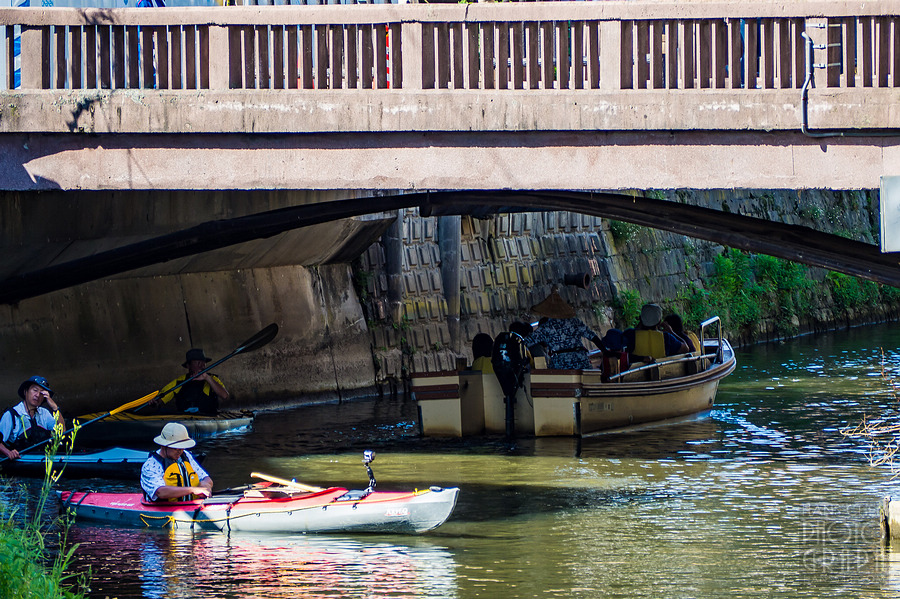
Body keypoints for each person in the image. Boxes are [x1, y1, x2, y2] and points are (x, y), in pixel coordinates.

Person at [524, 288, 604, 370]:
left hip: (560, 365)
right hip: (582, 362)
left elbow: (527, 342)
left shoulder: (547, 327)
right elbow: (593, 337)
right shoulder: (575, 322)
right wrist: (605, 351)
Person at [141, 422, 213, 502]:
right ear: (164, 446)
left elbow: (206, 478)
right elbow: (160, 492)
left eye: (182, 448)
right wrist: (192, 490)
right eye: (176, 448)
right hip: (163, 510)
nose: (180, 451)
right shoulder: (151, 465)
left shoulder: (186, 456)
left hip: (189, 505)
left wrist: (206, 485)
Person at [0, 376, 64, 461]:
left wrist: (55, 408)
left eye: (42, 393)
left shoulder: (44, 413)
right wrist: (9, 452)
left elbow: (62, 432)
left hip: (43, 462)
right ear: (26, 391)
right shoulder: (11, 415)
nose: (37, 395)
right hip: (20, 464)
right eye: (35, 390)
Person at [150, 348, 228, 416]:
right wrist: (155, 403)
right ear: (188, 366)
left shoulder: (212, 379)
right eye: (198, 363)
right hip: (185, 419)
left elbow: (225, 396)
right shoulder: (180, 381)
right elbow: (160, 400)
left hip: (208, 418)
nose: (202, 366)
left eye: (204, 362)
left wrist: (207, 378)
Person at [624, 303, 689, 363]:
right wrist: (671, 332)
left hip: (634, 373)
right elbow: (685, 349)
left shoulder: (630, 334)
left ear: (640, 318)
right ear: (659, 322)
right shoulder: (666, 337)